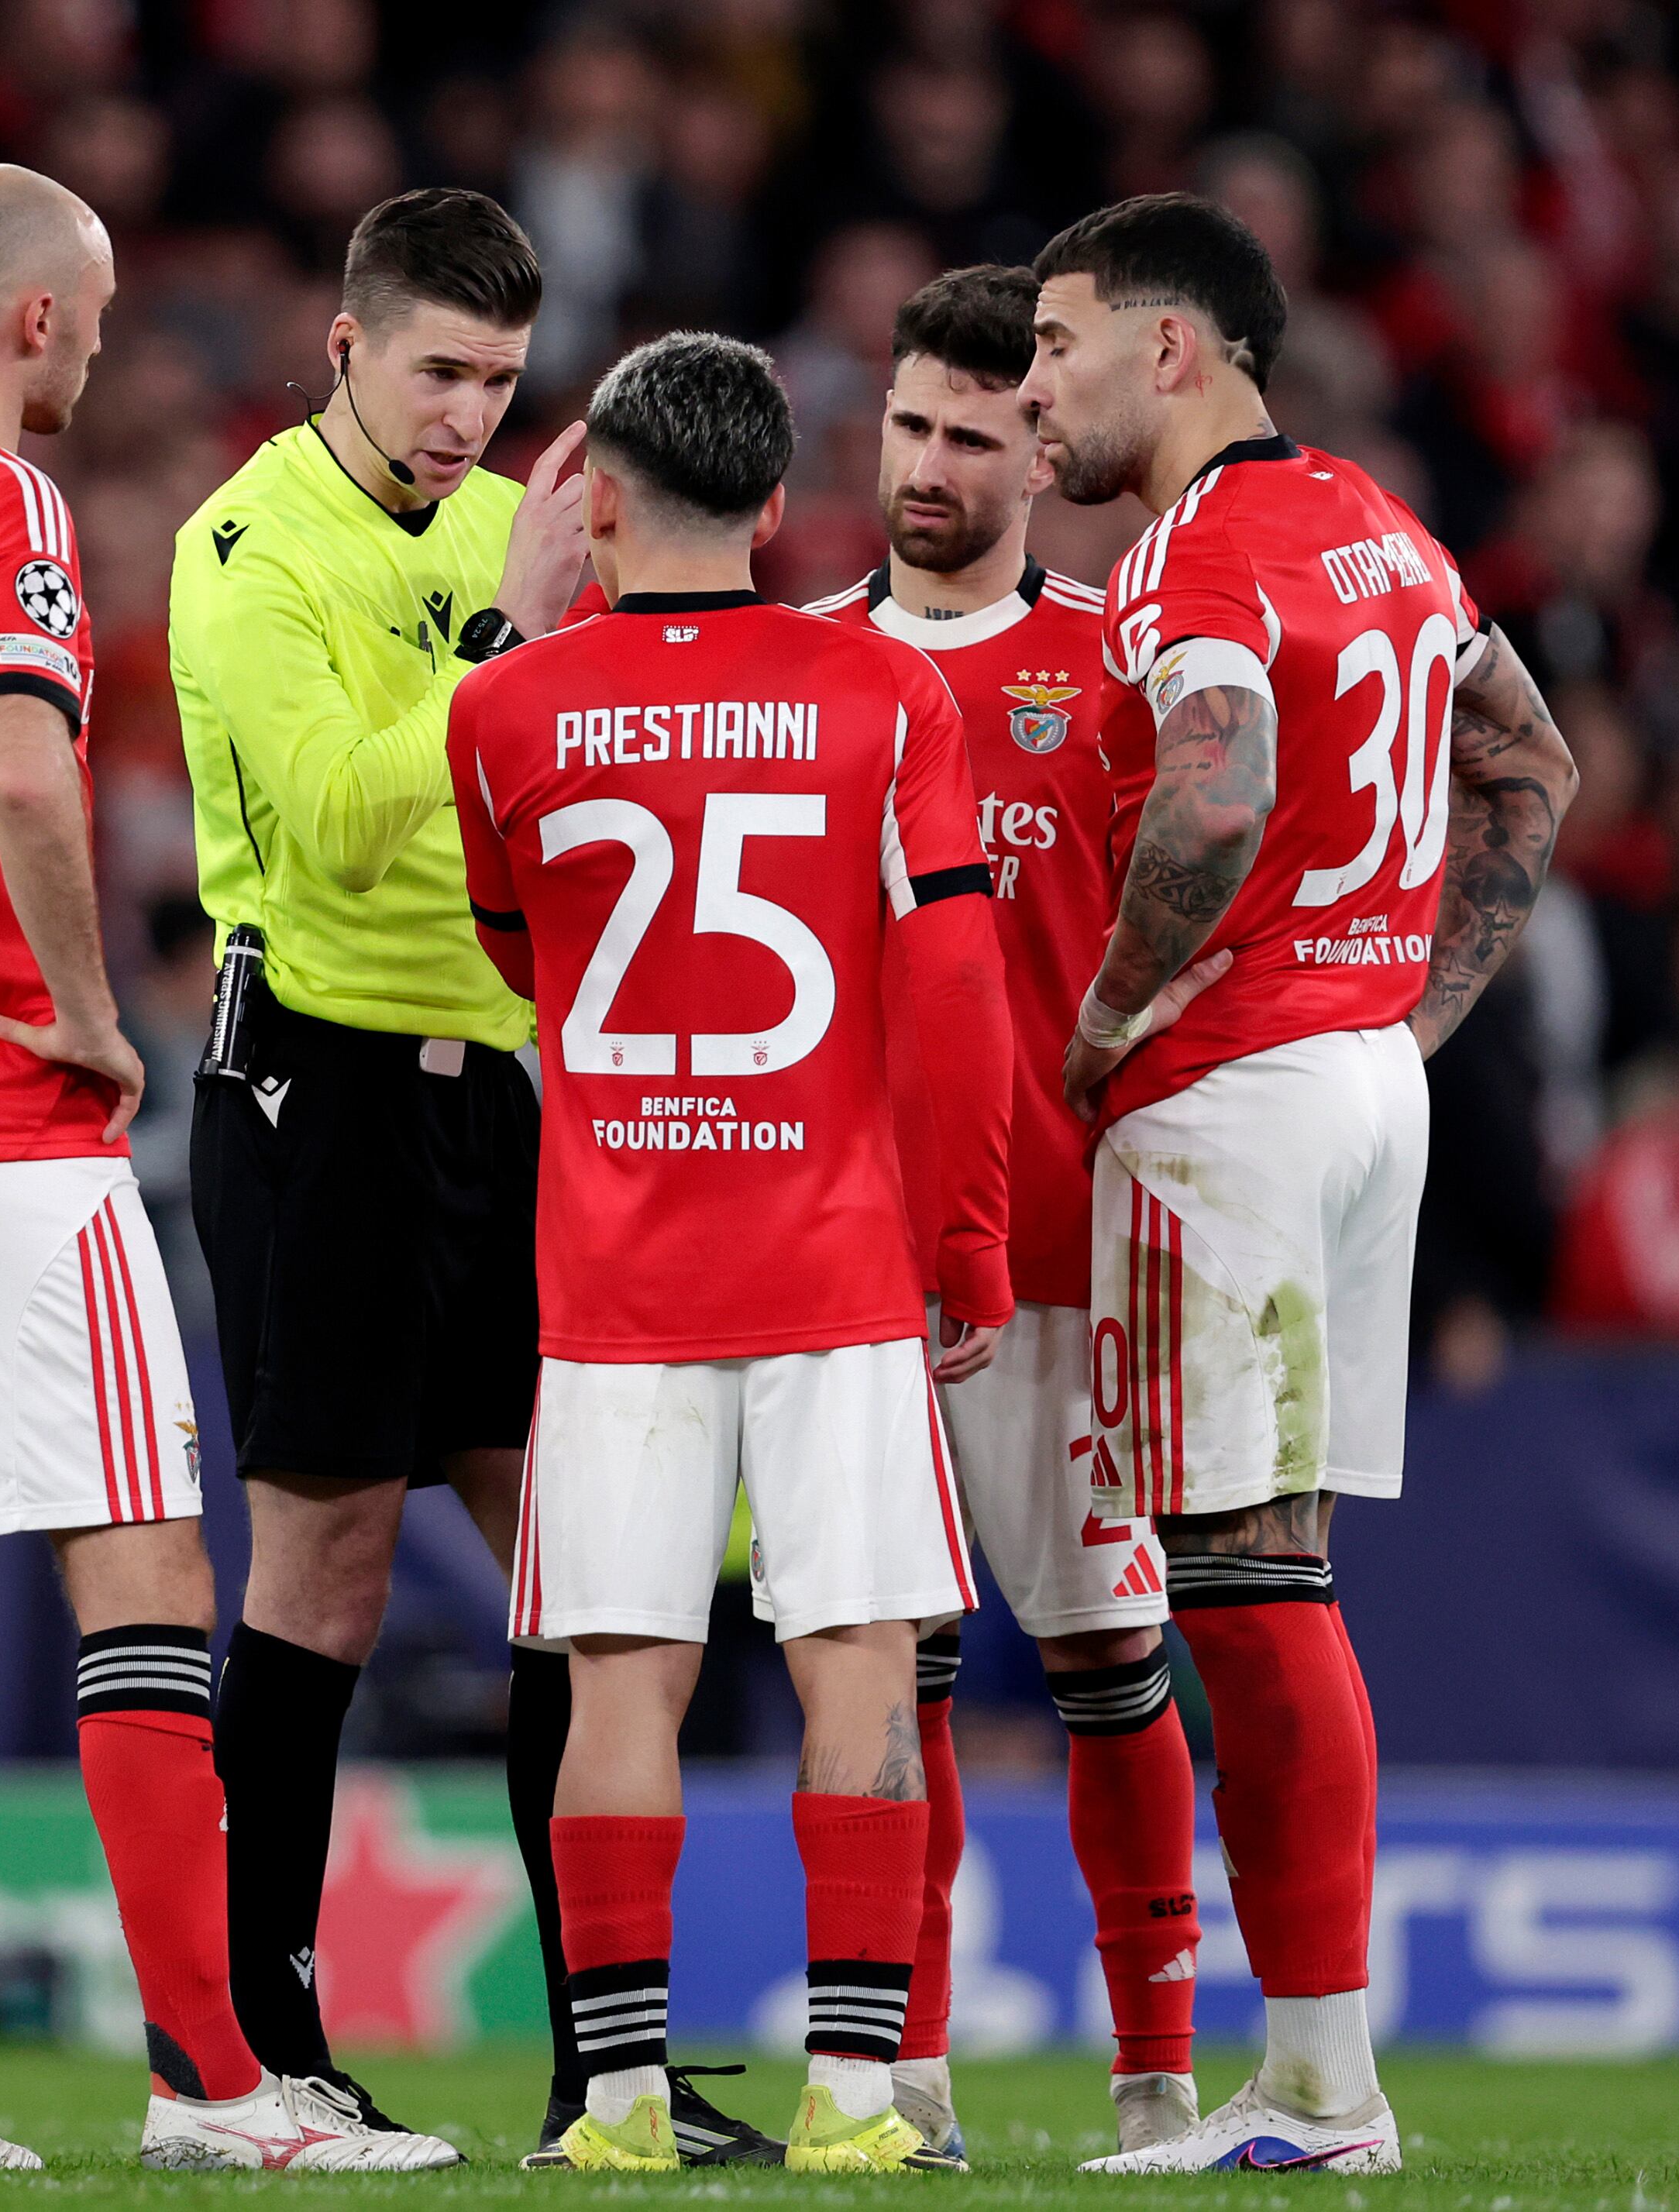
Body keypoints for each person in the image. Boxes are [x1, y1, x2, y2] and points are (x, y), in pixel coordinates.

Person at [0, 163, 434, 2176]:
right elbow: (29, 766)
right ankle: (215, 2084)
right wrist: (89, 1012)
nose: (105, 348)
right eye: (98, 315)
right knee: (142, 1563)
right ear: (33, 317)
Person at [1021, 194, 1578, 2177]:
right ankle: (1312, 2073)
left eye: (1058, 347)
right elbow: (1534, 763)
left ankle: (1324, 2092)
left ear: (1171, 351)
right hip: (1352, 1083)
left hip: (1228, 1093)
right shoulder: (1386, 527)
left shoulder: (1195, 550)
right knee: (1276, 1576)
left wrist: (1105, 1017)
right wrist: (1407, 1015)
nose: (1034, 391)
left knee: (1241, 1592)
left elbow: (1220, 781)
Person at [167, 189, 713, 2162]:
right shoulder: (244, 547)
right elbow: (321, 828)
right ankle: (257, 2053)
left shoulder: (509, 532)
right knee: (321, 1571)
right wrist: (512, 631)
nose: (469, 416)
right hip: (314, 1083)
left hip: (498, 1089)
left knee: (583, 1569)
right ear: (343, 342)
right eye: (437, 371)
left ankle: (607, 2073)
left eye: (498, 378)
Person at [447, 330, 1013, 2176]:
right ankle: (857, 2097)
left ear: (593, 497)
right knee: (856, 1660)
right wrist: (967, 1236)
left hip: (614, 1282)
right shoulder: (880, 700)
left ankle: (614, 2104)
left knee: (623, 1687)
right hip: (835, 1262)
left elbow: (522, 957)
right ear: (780, 506)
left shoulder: (499, 713)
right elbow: (950, 984)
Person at [801, 264, 1202, 2160]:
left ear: (1042, 448)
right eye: (910, 428)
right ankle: (911, 2064)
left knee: (1111, 1661)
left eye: (974, 432)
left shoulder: (1116, 662)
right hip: (853, 1262)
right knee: (906, 1664)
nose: (932, 466)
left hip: (1067, 1250)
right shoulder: (799, 666)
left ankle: (1155, 2069)